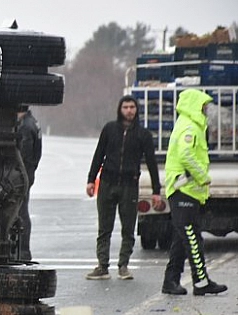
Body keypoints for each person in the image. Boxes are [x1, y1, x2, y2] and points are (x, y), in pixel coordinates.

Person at [85, 95, 161, 280]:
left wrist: (156, 191)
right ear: (120, 109)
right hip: (107, 183)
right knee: (104, 227)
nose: (129, 110)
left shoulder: (143, 135)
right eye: (125, 107)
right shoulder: (110, 129)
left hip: (129, 185)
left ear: (136, 110)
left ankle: (123, 265)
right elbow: (98, 155)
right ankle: (102, 266)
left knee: (128, 228)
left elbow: (151, 163)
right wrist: (90, 180)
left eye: (132, 107)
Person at [161, 89, 227, 296]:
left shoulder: (191, 124)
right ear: (194, 106)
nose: (206, 110)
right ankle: (201, 282)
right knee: (192, 237)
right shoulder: (190, 126)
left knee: (182, 238)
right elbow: (186, 154)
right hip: (184, 189)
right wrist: (201, 176)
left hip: (187, 191)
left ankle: (170, 281)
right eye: (203, 106)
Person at [17, 105, 42, 261]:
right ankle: (23, 250)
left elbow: (23, 154)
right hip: (29, 171)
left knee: (20, 212)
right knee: (22, 210)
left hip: (23, 173)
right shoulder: (32, 122)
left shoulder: (25, 127)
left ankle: (23, 250)